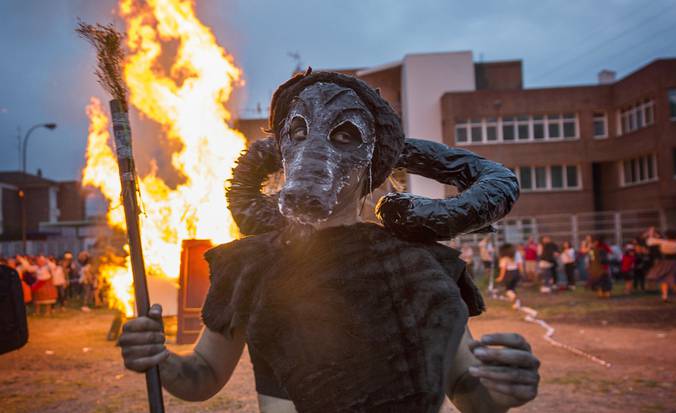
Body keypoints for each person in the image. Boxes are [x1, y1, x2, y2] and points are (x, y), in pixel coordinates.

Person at [117, 71, 538, 412]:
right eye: (298, 131)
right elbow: (203, 375)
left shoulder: (418, 265)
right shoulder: (251, 265)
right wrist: (160, 359)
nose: (314, 149)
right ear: (282, 150)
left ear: (370, 161)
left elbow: (467, 390)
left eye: (344, 135)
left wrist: (502, 390)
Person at [644, 227, 676, 302]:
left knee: (664, 279)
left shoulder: (663, 242)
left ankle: (664, 296)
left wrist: (651, 233)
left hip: (664, 262)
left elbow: (649, 241)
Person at [496, 243, 521, 308]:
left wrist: (501, 277)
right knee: (513, 288)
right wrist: (520, 273)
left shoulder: (504, 258)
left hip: (509, 273)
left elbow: (503, 268)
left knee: (508, 290)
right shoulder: (517, 254)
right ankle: (516, 304)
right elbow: (519, 264)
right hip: (516, 272)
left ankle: (515, 299)